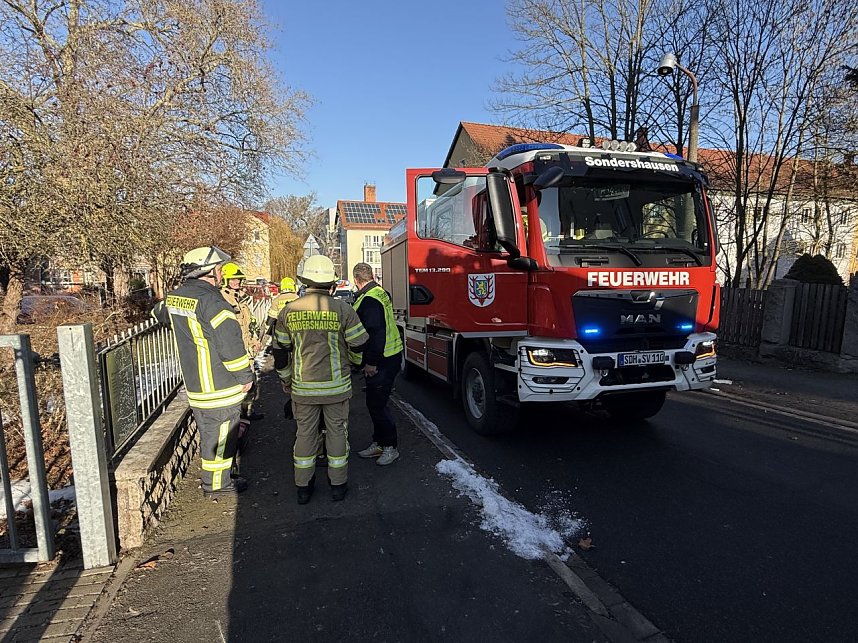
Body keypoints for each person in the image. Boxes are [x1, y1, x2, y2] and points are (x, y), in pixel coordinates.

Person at [152, 247, 253, 497]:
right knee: (222, 437)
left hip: (195, 383)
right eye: (218, 269)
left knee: (210, 434)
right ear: (209, 272)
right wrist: (245, 376)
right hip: (219, 383)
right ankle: (217, 485)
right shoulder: (214, 302)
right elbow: (230, 344)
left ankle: (219, 478)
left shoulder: (175, 297)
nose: (220, 273)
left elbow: (158, 315)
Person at [272, 255, 368, 504]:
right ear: (332, 284)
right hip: (337, 387)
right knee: (337, 433)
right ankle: (338, 486)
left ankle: (303, 488)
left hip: (303, 388)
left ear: (304, 281)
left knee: (305, 434)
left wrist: (285, 379)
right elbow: (358, 343)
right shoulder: (343, 309)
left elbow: (280, 350)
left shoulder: (289, 310)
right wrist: (355, 364)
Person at [350, 262, 404, 466]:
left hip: (381, 361)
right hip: (390, 356)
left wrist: (371, 362)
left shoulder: (369, 300)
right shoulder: (381, 292)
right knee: (375, 403)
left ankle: (390, 447)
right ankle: (380, 442)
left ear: (356, 280)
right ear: (371, 276)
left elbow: (376, 332)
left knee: (377, 405)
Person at [220, 262, 263, 449]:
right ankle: (238, 425)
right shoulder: (222, 300)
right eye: (234, 279)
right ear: (225, 280)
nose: (237, 281)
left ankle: (246, 416)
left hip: (247, 351)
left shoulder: (240, 299)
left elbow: (249, 324)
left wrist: (255, 341)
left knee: (250, 386)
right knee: (240, 390)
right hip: (235, 353)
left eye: (239, 278)